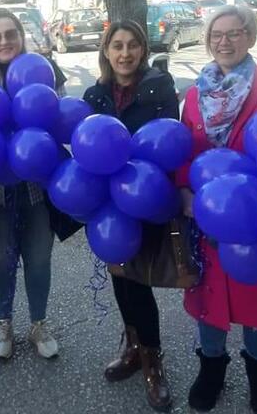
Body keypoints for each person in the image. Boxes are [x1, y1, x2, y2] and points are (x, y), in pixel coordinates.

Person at [177, 5, 257, 414]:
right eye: (216, 34)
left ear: (251, 37)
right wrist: (184, 192)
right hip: (207, 215)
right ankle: (211, 367)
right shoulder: (195, 95)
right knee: (208, 298)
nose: (223, 42)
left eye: (234, 33)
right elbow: (185, 150)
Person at [0, 7, 81, 360]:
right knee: (2, 259)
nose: (3, 41)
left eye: (10, 34)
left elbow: (59, 120)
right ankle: (4, 324)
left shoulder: (42, 71)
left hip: (37, 185)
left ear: (20, 37)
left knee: (39, 258)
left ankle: (39, 324)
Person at [83, 21, 180, 412]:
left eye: (133, 45)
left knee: (138, 281)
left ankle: (152, 358)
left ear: (143, 50)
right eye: (117, 46)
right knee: (120, 278)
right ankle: (133, 346)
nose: (125, 53)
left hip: (144, 197)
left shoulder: (159, 87)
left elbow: (169, 141)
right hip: (107, 207)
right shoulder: (94, 95)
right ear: (106, 51)